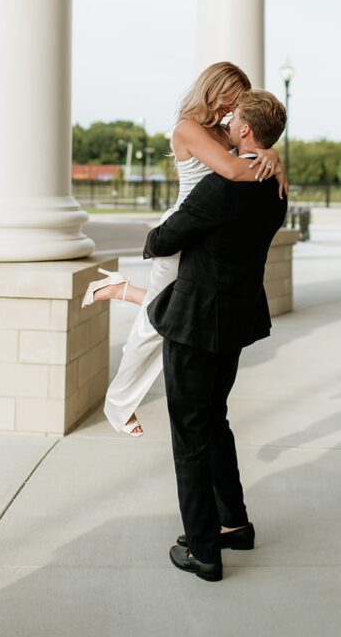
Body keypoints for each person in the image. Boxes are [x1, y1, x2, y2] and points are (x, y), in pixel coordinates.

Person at [81, 62, 287, 435]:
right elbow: (233, 169)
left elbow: (247, 145)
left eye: (238, 104)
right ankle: (118, 405)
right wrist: (273, 160)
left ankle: (116, 288)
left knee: (171, 305)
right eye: (232, 99)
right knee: (153, 324)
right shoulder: (188, 128)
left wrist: (269, 153)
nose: (233, 108)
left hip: (206, 231)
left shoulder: (224, 128)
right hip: (182, 230)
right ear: (215, 90)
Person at [143, 90, 288, 581]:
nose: (227, 121)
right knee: (215, 421)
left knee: (189, 435)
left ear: (247, 131)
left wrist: (159, 233)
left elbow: (162, 239)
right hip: (234, 322)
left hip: (194, 324)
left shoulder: (221, 187)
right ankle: (235, 524)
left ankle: (203, 550)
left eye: (234, 118)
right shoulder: (275, 188)